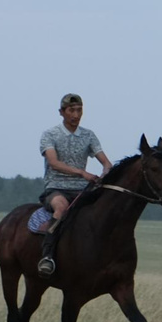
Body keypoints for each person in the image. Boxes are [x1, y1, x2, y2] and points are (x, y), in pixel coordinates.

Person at [36, 92, 114, 276]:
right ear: (62, 112)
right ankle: (47, 256)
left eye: (79, 110)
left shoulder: (89, 135)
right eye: (72, 110)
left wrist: (105, 174)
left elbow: (107, 163)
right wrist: (81, 172)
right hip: (56, 187)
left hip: (82, 190)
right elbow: (54, 162)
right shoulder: (50, 135)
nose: (76, 115)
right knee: (61, 208)